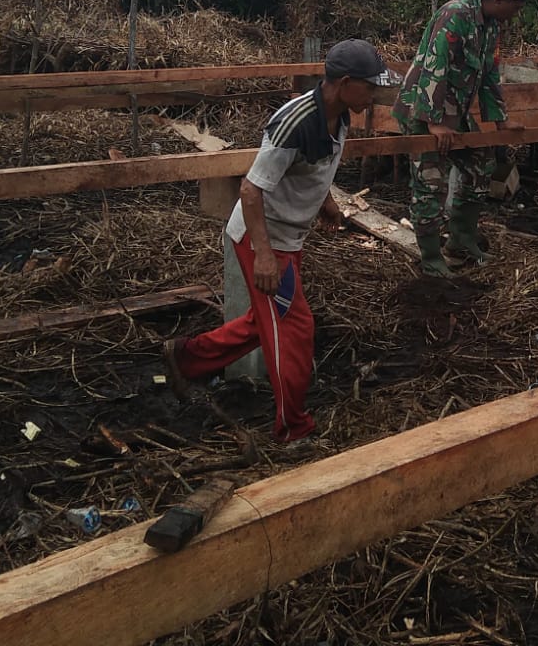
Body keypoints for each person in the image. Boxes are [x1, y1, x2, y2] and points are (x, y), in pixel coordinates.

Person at [161, 39, 400, 443]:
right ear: (344, 83)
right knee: (294, 328)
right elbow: (251, 190)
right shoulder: (294, 123)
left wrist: (325, 202)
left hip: (288, 238)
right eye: (369, 86)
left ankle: (186, 358)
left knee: (264, 323)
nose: (375, 94)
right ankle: (293, 429)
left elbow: (316, 165)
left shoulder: (340, 115)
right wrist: (265, 257)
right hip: (265, 239)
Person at [394, 0, 532, 275]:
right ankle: (431, 258)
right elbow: (435, 62)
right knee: (430, 181)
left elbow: (489, 75)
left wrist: (500, 122)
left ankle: (460, 241)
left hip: (454, 110)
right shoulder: (456, 14)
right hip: (421, 108)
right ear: (498, 0)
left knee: (480, 162)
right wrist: (433, 122)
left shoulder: (492, 26)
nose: (516, 14)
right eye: (516, 8)